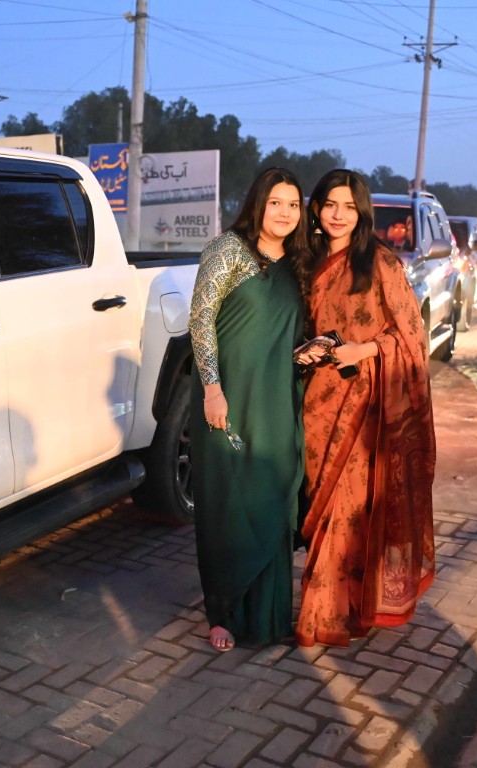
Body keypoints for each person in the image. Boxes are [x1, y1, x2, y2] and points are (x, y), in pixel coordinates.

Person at [294, 169, 437, 648]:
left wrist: (365, 350)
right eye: (330, 205)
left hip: (364, 404)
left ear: (362, 213)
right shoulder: (307, 260)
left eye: (349, 207)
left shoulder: (379, 262)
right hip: (316, 402)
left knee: (348, 508)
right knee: (319, 502)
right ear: (316, 209)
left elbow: (411, 334)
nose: (338, 215)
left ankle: (331, 614)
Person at [188, 167, 310, 652]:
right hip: (230, 395)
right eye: (276, 202)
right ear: (258, 203)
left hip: (277, 397)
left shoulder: (299, 263)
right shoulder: (228, 249)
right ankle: (222, 612)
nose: (285, 212)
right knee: (228, 499)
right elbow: (201, 319)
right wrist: (212, 389)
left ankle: (270, 616)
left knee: (273, 494)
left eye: (294, 205)